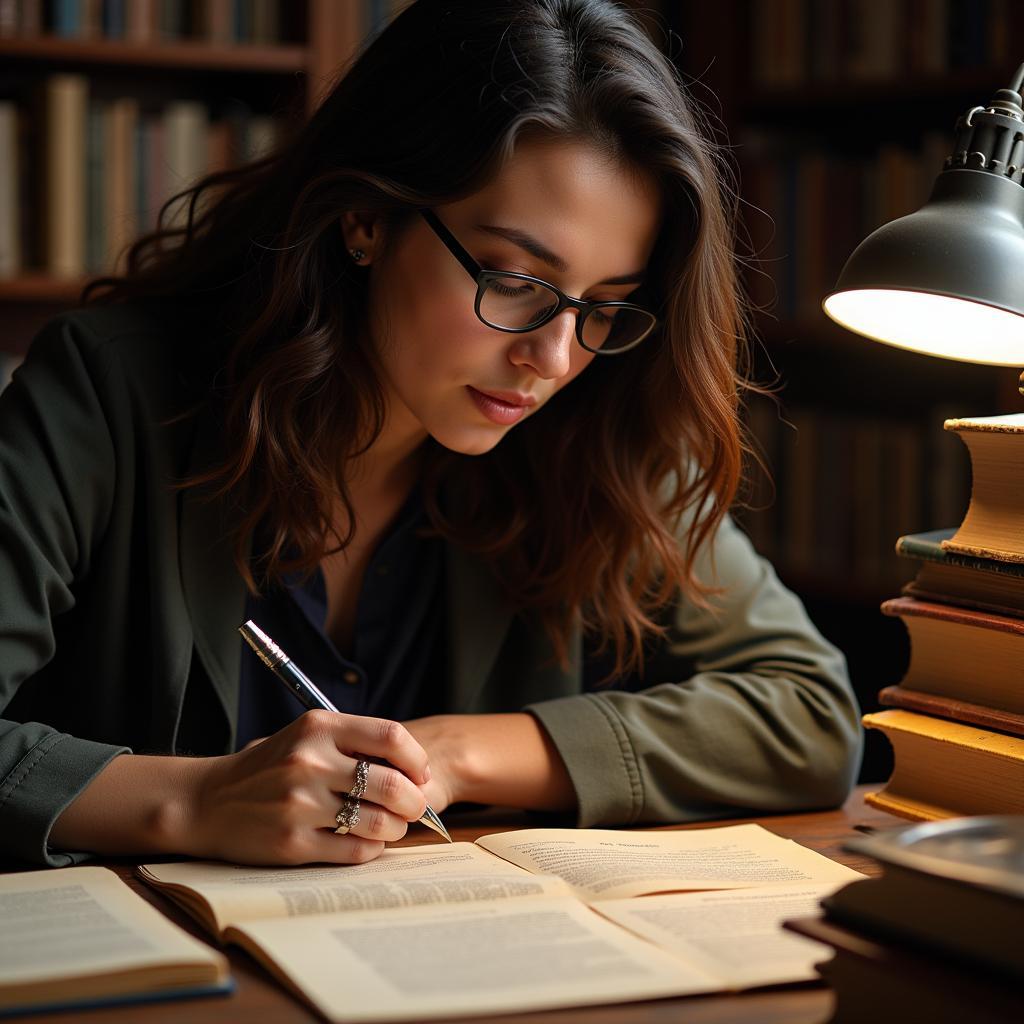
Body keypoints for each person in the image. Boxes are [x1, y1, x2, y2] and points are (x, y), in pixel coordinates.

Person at [0, 0, 861, 869]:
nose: (555, 358)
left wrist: (451, 751)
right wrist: (191, 802)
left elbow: (811, 713)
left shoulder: (602, 435)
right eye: (514, 279)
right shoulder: (110, 396)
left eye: (605, 306)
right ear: (367, 218)